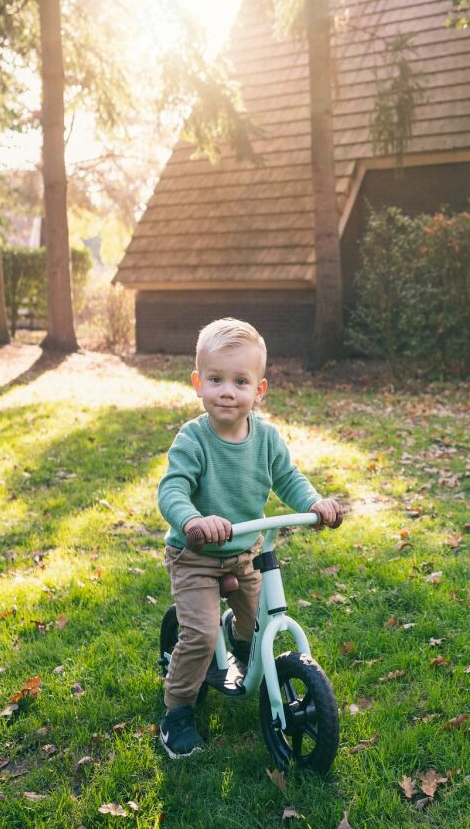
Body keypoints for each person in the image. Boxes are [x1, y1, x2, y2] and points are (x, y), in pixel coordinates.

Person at [156, 318, 343, 759]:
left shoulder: (267, 439)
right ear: (198, 384)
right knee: (200, 634)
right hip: (197, 553)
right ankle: (178, 710)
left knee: (256, 624)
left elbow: (289, 478)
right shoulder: (194, 439)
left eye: (240, 381)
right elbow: (172, 490)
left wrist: (315, 504)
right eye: (216, 379)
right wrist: (193, 521)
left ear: (258, 391)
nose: (227, 391)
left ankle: (243, 653)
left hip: (246, 550)